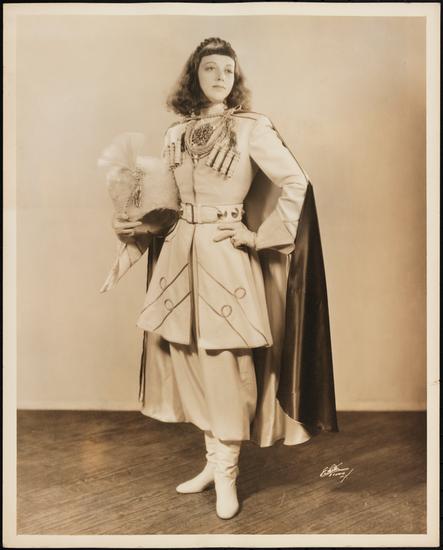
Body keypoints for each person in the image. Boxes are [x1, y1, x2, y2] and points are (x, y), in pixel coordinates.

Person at [104, 37, 338, 520]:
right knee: (189, 362)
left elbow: (296, 182)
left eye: (228, 70)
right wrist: (131, 226)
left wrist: (258, 237)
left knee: (226, 368)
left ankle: (228, 475)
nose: (220, 77)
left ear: (236, 79)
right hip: (177, 258)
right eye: (210, 68)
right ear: (194, 76)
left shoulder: (252, 128)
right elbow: (166, 210)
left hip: (225, 257)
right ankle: (214, 463)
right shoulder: (175, 133)